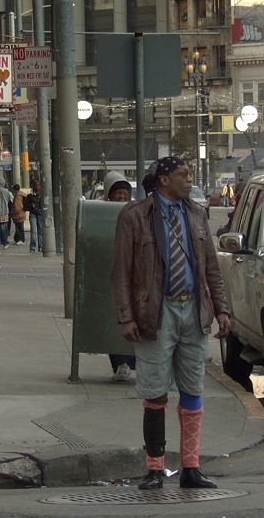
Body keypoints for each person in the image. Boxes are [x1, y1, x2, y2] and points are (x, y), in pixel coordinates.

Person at [111, 156, 231, 491]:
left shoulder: (195, 213)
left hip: (193, 311)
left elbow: (210, 267)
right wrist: (126, 316)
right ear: (163, 180)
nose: (189, 179)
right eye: (183, 174)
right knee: (155, 391)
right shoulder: (135, 216)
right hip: (155, 314)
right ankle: (155, 468)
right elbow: (121, 272)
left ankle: (191, 467)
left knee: (193, 388)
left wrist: (221, 309)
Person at [100, 171, 136, 382]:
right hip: (111, 278)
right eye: (118, 193)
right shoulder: (100, 212)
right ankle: (120, 364)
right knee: (115, 322)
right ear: (109, 195)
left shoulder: (138, 211)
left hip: (136, 278)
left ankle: (134, 362)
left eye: (125, 193)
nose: (122, 197)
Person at [25, 180, 43, 253]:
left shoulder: (43, 194)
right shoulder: (30, 195)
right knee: (33, 231)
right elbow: (26, 205)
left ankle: (41, 246)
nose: (37, 187)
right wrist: (31, 205)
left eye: (38, 185)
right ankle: (33, 246)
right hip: (33, 214)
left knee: (40, 231)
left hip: (40, 214)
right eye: (36, 185)